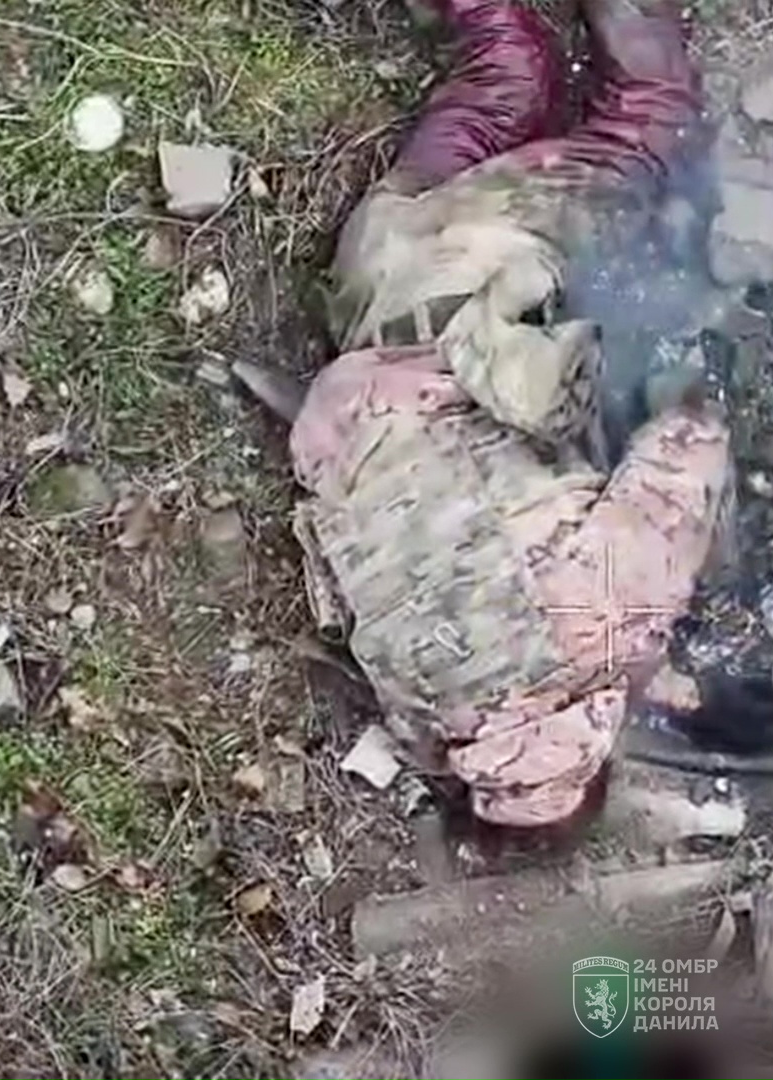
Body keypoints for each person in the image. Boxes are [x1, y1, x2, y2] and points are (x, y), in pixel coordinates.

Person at [282, 0, 732, 827]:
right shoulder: (422, 716)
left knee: (659, 125)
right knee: (507, 84)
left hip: (463, 277)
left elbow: (689, 444)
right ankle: (500, 50)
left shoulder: (603, 625)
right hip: (366, 291)